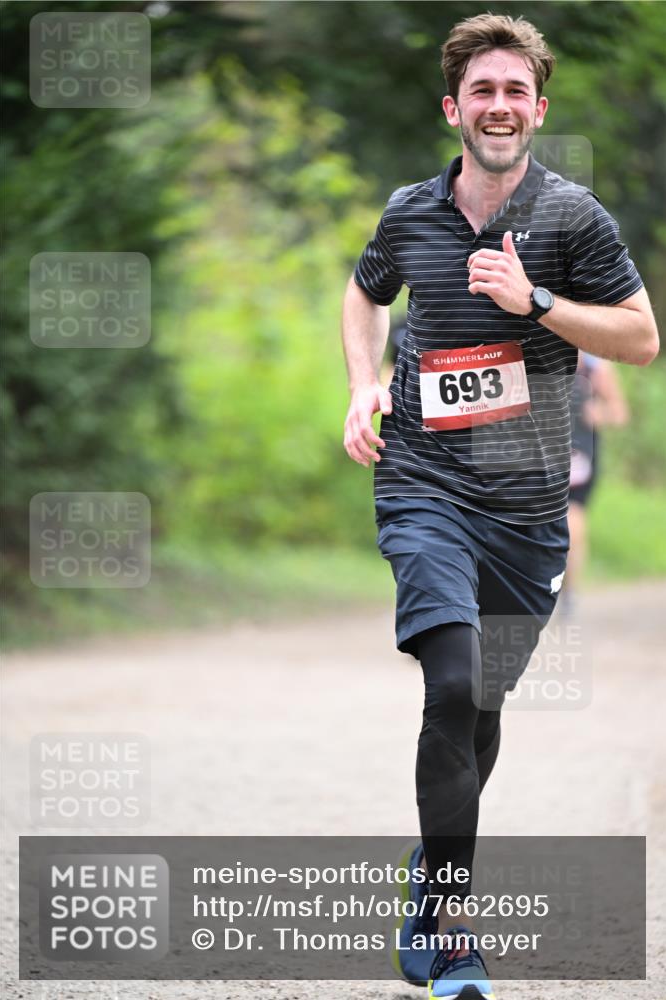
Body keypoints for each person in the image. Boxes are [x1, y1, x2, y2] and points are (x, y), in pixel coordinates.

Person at [341, 13, 658, 1000]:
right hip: (424, 483)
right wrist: (362, 383)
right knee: (450, 679)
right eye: (481, 90)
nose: (498, 106)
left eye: (515, 91)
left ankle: (427, 874)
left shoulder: (572, 221)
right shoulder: (408, 212)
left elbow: (640, 338)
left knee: (479, 703)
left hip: (527, 514)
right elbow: (365, 295)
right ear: (454, 108)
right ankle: (449, 924)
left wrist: (537, 305)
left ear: (537, 109)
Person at [563, 353, 629, 614]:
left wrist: (597, 412)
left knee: (573, 521)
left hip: (581, 456)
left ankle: (569, 591)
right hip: (538, 455)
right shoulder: (532, 347)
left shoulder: (596, 366)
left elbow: (619, 412)